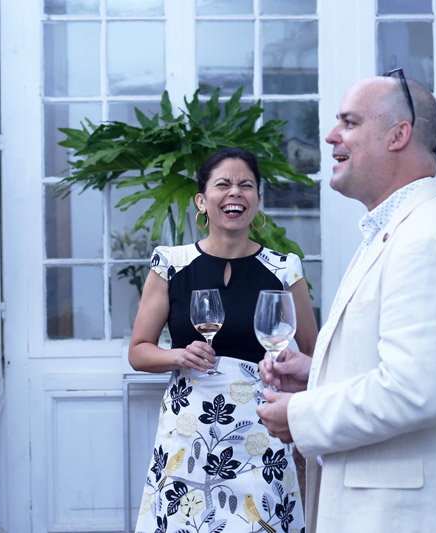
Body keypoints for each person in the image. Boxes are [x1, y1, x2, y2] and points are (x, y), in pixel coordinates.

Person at [257, 73, 436, 532]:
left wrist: (299, 415)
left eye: (350, 122)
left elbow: (414, 392)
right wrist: (317, 375)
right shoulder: (400, 230)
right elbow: (401, 367)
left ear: (399, 135)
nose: (331, 136)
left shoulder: (430, 239)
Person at [130, 147, 319, 533]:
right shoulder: (171, 265)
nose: (235, 192)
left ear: (258, 200)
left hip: (262, 431)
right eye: (223, 184)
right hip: (189, 431)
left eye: (246, 185)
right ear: (202, 201)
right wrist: (178, 356)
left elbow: (316, 354)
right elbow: (138, 351)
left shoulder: (284, 269)